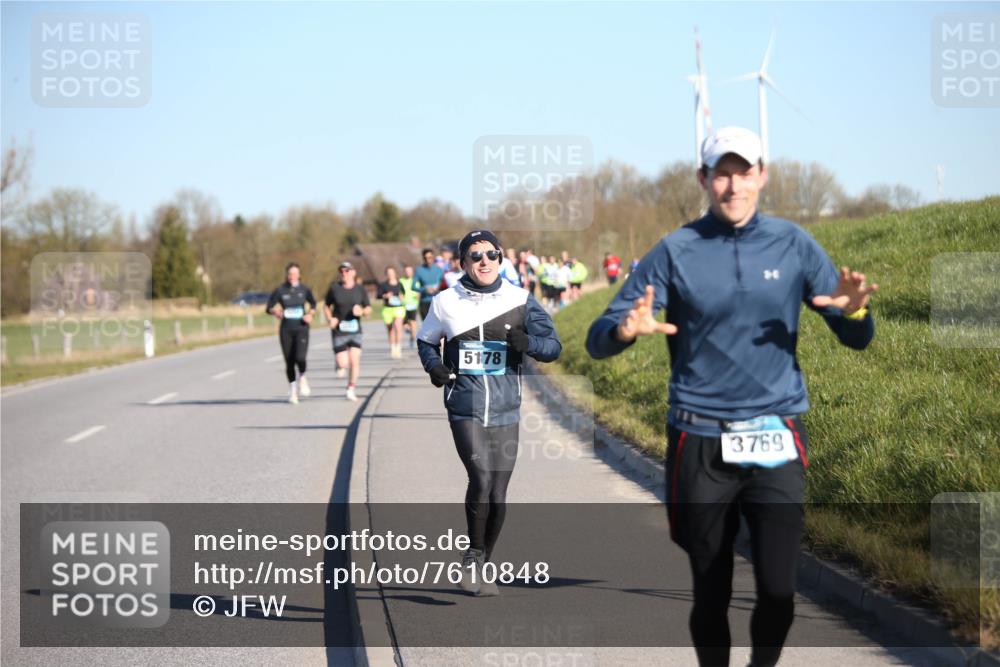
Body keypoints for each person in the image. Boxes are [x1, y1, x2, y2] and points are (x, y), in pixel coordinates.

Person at [586, 126, 878, 667]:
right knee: (711, 587)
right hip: (699, 438)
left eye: (744, 173)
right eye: (722, 173)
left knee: (778, 589)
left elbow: (856, 337)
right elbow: (597, 340)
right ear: (703, 179)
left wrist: (856, 311)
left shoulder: (792, 244)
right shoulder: (677, 250)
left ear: (762, 176)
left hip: (777, 434)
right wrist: (625, 330)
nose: (733, 186)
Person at [417, 230, 561, 597]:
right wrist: (434, 366)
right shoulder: (446, 302)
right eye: (475, 255)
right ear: (463, 262)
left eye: (492, 254)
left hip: (506, 407)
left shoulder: (520, 299)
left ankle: (483, 560)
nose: (485, 261)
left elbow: (553, 346)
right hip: (464, 404)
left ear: (501, 259)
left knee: (498, 494)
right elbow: (426, 340)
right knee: (480, 478)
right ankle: (471, 558)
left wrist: (529, 343)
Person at [265, 262, 317, 404]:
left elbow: (313, 304)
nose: (292, 276)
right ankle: (293, 390)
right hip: (286, 329)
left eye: (295, 273)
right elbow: (268, 307)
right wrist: (275, 311)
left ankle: (303, 377)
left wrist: (310, 314)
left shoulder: (305, 289)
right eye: (290, 274)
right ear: (286, 275)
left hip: (301, 328)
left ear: (299, 275)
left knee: (300, 358)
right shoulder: (280, 290)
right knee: (289, 361)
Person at [324, 261, 372, 402]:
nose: (343, 273)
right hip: (339, 331)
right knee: (344, 363)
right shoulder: (334, 288)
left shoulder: (360, 289)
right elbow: (326, 306)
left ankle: (351, 388)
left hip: (355, 330)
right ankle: (338, 363)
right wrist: (329, 318)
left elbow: (368, 308)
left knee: (354, 361)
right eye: (341, 271)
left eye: (346, 271)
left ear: (353, 272)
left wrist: (362, 311)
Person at [378, 266, 406, 359]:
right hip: (387, 309)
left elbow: (403, 294)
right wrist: (385, 295)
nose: (390, 274)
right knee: (390, 330)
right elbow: (378, 295)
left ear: (395, 273)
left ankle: (398, 347)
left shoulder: (399, 284)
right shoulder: (383, 285)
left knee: (398, 327)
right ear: (386, 274)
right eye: (388, 273)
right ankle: (393, 348)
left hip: (399, 308)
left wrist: (402, 297)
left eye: (392, 272)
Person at [414, 248, 445, 321]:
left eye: (430, 257)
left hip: (437, 302)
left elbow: (444, 286)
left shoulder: (439, 270)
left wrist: (438, 289)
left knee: (440, 328)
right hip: (424, 302)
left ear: (433, 257)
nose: (428, 260)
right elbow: (413, 287)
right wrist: (424, 289)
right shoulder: (419, 270)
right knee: (427, 329)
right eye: (426, 258)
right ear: (423, 258)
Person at [400, 264, 420, 348]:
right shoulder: (401, 280)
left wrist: (417, 296)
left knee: (413, 323)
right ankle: (409, 330)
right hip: (403, 305)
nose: (408, 273)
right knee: (403, 324)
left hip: (413, 305)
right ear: (404, 272)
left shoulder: (415, 281)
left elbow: (419, 292)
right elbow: (399, 292)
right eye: (407, 271)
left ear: (412, 272)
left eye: (410, 271)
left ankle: (413, 339)